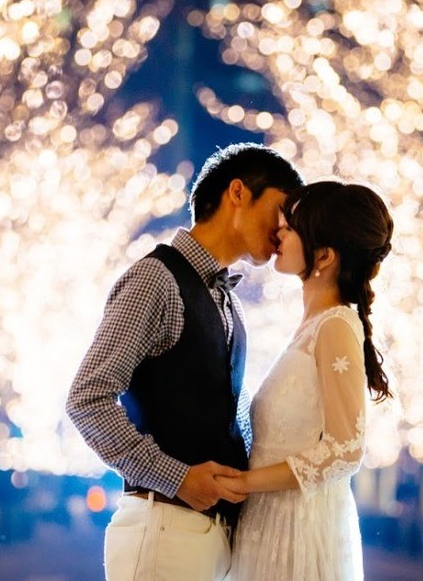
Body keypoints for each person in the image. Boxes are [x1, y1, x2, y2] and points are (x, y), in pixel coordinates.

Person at [66, 143, 303, 581]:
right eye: (281, 208)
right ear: (238, 193)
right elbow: (87, 398)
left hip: (209, 537)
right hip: (164, 529)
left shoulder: (225, 299)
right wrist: (176, 477)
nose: (285, 226)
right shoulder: (156, 279)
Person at [219, 180, 394, 580]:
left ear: (325, 255)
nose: (279, 231)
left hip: (295, 529)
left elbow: (346, 449)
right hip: (268, 523)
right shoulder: (310, 326)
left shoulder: (334, 326)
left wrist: (246, 482)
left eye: (292, 227)